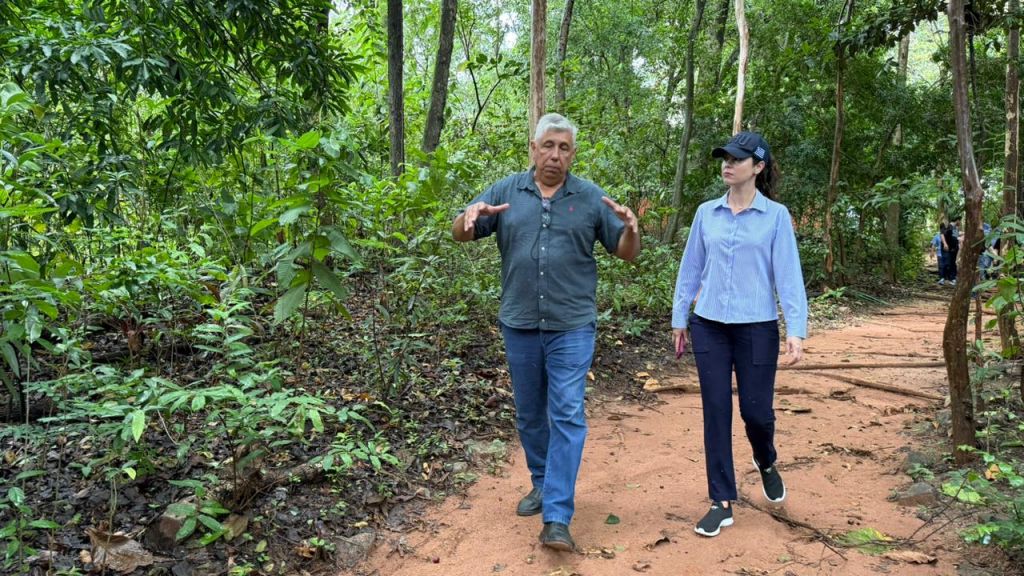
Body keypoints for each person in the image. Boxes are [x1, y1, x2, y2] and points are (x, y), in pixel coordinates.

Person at [452, 113, 640, 551]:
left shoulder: (590, 198)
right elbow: (461, 233)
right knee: (530, 413)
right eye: (549, 146)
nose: (555, 155)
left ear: (573, 154)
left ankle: (557, 515)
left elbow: (627, 253)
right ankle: (542, 481)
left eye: (564, 148)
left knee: (567, 413)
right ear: (534, 148)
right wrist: (467, 217)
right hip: (519, 322)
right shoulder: (506, 191)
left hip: (571, 326)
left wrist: (632, 229)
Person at [671, 131, 808, 537]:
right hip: (709, 325)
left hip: (757, 327)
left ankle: (765, 459)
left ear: (758, 167)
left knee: (756, 413)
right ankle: (721, 501)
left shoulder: (776, 217)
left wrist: (795, 330)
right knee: (716, 410)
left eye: (737, 159)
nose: (727, 165)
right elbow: (691, 268)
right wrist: (680, 316)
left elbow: (789, 276)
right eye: (725, 158)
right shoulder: (706, 213)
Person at [942, 221, 960, 286]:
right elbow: (943, 235)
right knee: (948, 263)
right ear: (957, 220)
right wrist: (945, 244)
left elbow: (956, 238)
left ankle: (953, 278)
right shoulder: (948, 227)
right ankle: (946, 278)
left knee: (953, 263)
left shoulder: (956, 228)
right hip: (948, 249)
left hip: (954, 249)